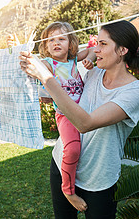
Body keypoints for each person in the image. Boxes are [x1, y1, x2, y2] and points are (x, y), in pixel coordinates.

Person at [19, 20, 139, 219]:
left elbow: (85, 123)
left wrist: (45, 77)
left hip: (98, 180)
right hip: (61, 165)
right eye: (97, 42)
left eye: (103, 44)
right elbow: (68, 88)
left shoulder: (133, 92)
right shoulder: (93, 71)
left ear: (122, 50)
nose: (95, 49)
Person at [38, 21, 95, 212]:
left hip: (82, 112)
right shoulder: (49, 64)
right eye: (51, 40)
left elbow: (92, 49)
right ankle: (68, 190)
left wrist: (91, 58)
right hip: (65, 115)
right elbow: (35, 64)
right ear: (45, 46)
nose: (56, 43)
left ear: (70, 43)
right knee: (71, 150)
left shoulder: (74, 60)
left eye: (61, 39)